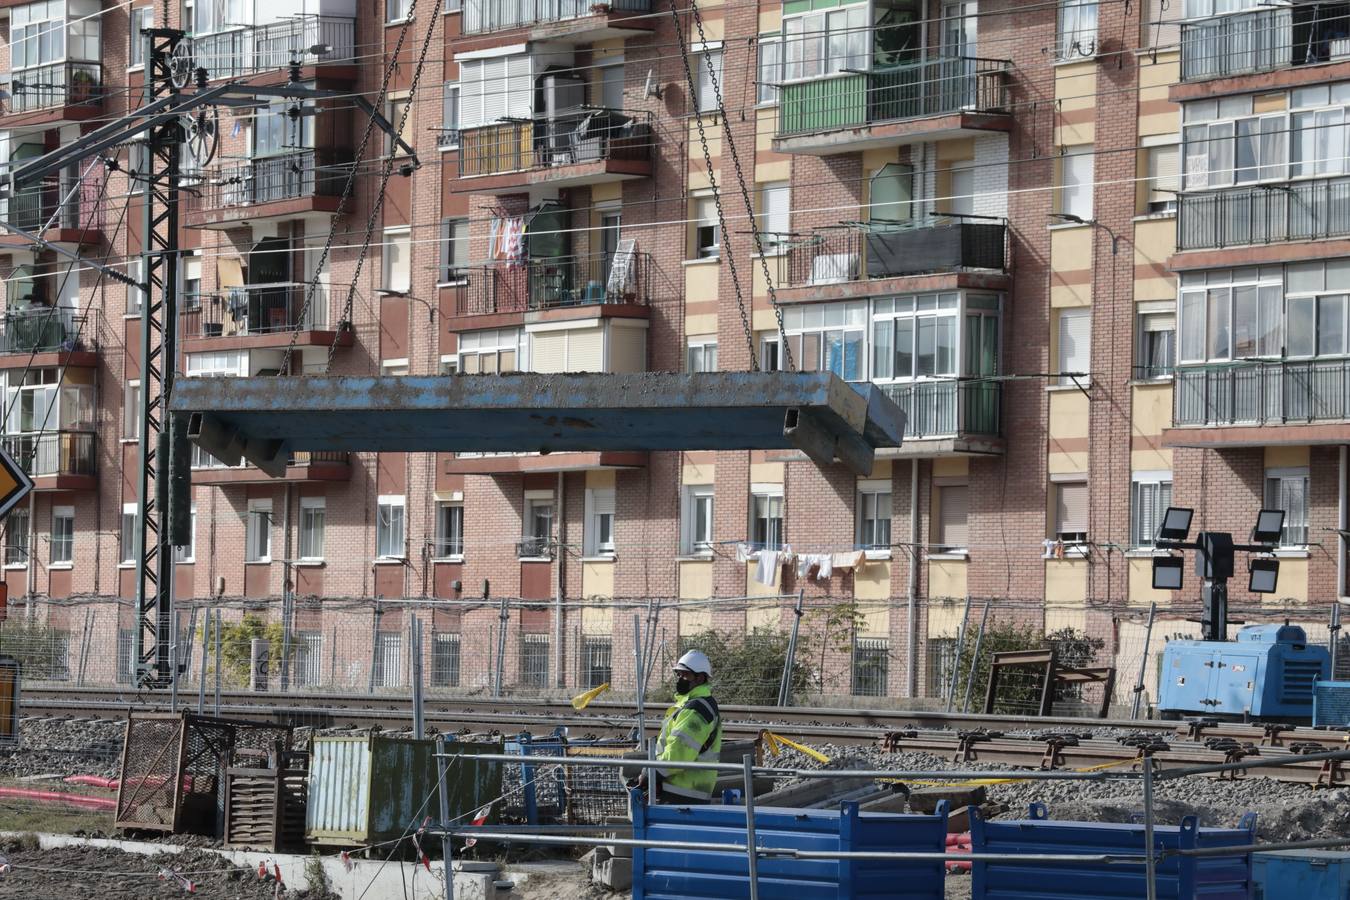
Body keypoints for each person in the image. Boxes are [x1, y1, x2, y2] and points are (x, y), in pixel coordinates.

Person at [634, 650, 723, 804]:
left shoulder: (695, 710)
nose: (680, 679)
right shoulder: (692, 705)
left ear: (700, 677)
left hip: (682, 793)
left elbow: (678, 754)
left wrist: (650, 773)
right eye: (679, 675)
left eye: (686, 675)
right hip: (683, 790)